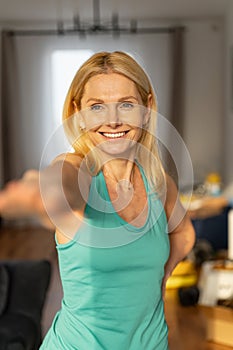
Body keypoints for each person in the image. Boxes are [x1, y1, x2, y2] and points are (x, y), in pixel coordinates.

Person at [0, 51, 195, 350]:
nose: (113, 121)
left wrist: (161, 275)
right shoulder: (78, 172)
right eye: (97, 107)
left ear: (147, 109)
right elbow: (64, 183)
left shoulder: (158, 182)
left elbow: (184, 233)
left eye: (126, 105)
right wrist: (45, 192)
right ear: (79, 114)